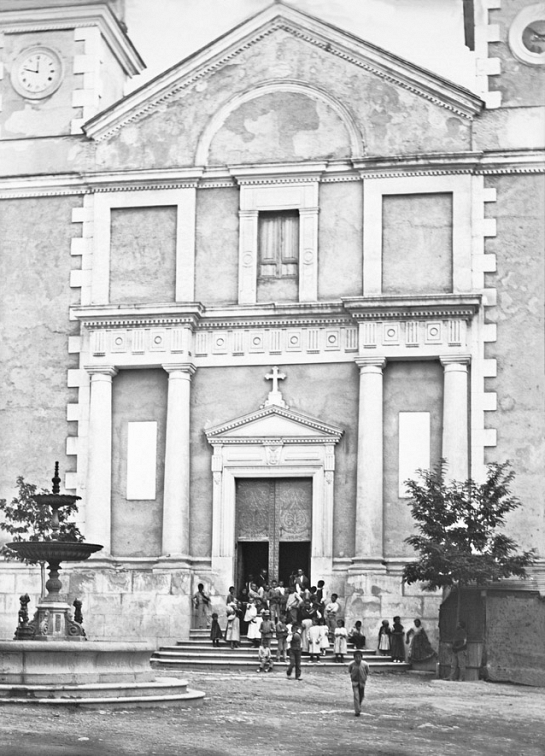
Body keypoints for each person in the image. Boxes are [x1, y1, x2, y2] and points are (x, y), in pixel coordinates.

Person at [348, 650, 370, 717]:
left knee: (361, 695)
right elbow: (350, 671)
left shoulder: (365, 664)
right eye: (356, 657)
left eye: (359, 657)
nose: (358, 659)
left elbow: (367, 671)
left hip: (362, 682)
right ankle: (357, 710)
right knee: (356, 695)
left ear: (361, 657)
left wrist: (364, 678)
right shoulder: (351, 664)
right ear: (354, 658)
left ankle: (358, 705)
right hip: (355, 682)